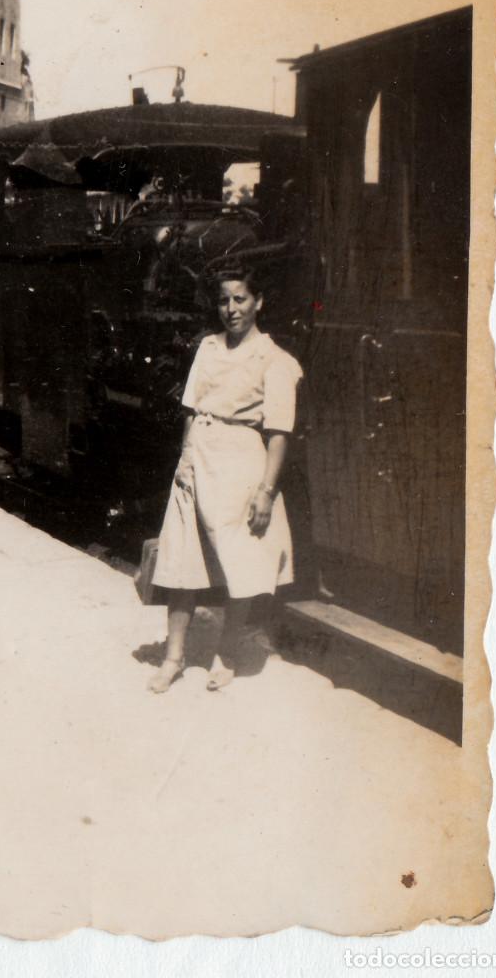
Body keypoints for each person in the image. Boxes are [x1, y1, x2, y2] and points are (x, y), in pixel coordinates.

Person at [147, 269, 303, 693]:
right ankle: (173, 658)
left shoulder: (276, 362)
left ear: (258, 302)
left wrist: (265, 492)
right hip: (199, 461)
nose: (231, 309)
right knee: (182, 563)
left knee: (241, 565)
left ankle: (227, 652)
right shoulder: (208, 349)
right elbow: (193, 410)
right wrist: (184, 459)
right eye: (223, 301)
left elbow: (278, 434)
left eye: (239, 299)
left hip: (244, 467)